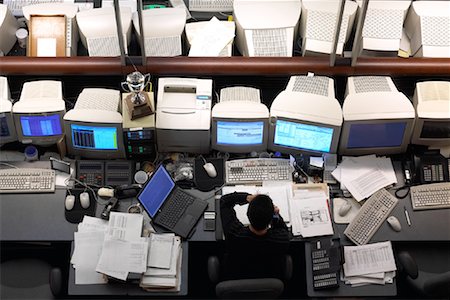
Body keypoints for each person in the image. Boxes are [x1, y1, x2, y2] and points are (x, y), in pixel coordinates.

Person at [220, 192, 290, 280]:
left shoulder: (234, 233)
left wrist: (247, 197)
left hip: (236, 277)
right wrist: (276, 215)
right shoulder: (281, 240)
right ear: (270, 220)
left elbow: (224, 201)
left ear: (247, 214)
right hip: (268, 280)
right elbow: (282, 229)